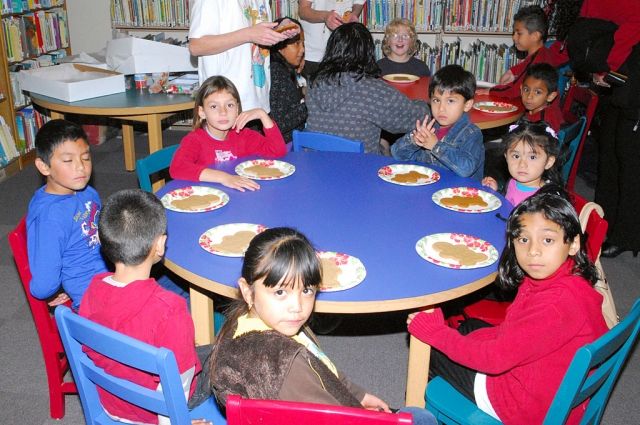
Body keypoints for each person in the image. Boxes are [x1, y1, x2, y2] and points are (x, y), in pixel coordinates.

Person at [407, 192, 609, 425]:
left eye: (547, 240)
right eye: (523, 239)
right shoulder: (570, 282)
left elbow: (494, 359)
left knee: (431, 351)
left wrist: (435, 333)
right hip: (551, 387)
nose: (533, 251)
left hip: (523, 407)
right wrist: (460, 338)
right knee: (470, 327)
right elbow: (518, 336)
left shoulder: (554, 305)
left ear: (573, 243)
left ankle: (427, 417)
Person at [208, 227, 436, 424]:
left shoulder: (242, 326)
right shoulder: (286, 363)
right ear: (248, 291)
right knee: (421, 417)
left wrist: (359, 395)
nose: (297, 306)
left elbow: (323, 371)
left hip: (332, 404)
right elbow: (336, 419)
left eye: (306, 290)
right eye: (280, 292)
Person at [79, 189, 212, 425]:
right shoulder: (171, 310)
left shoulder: (91, 291)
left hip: (110, 401)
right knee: (226, 353)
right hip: (154, 412)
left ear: (104, 242)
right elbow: (178, 383)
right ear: (160, 245)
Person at [305, 22, 430, 154]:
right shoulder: (374, 89)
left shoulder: (314, 83)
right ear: (368, 52)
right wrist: (422, 103)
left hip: (316, 163)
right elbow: (417, 119)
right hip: (360, 167)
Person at [27, 119, 107, 311]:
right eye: (68, 160)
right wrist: (56, 287)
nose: (81, 167)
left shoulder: (87, 192)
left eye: (86, 158)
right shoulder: (51, 218)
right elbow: (44, 284)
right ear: (44, 167)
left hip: (111, 271)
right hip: (94, 297)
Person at [169, 76, 287, 192]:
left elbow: (277, 152)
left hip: (237, 196)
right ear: (202, 112)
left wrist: (262, 115)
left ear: (237, 109)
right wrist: (225, 178)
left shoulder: (243, 136)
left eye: (229, 105)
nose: (223, 112)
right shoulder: (195, 140)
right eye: (214, 106)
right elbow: (177, 168)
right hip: (208, 196)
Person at [188, 0, 299, 112]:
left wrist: (277, 31)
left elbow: (252, 36)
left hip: (257, 101)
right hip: (224, 105)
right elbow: (196, 46)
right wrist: (249, 34)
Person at [391, 65, 484, 180]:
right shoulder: (428, 127)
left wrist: (435, 146)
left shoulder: (472, 133)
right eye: (436, 100)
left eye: (450, 101)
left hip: (460, 193)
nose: (441, 108)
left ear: (467, 105)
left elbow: (466, 169)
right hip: (429, 187)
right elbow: (397, 155)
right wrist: (413, 141)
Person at [477, 5, 555, 98]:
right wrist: (512, 72)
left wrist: (491, 91)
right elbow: (525, 66)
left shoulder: (537, 60)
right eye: (514, 33)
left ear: (535, 36)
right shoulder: (543, 53)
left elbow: (514, 90)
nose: (514, 37)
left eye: (519, 33)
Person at [483, 120, 561, 206]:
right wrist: (495, 193)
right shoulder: (512, 182)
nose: (522, 164)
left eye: (532, 157)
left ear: (548, 162)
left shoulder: (545, 199)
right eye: (516, 156)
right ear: (506, 157)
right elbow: (506, 205)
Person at [298, 0, 366, 77]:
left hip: (346, 52)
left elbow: (358, 3)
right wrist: (325, 16)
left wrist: (354, 13)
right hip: (314, 53)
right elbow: (303, 10)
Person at [269, 17, 307, 143]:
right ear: (280, 46)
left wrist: (301, 91)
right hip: (284, 146)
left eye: (303, 44)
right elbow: (278, 124)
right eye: (297, 43)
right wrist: (309, 105)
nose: (302, 49)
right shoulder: (277, 73)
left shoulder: (282, 69)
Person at [520, 62, 565, 132]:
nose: (529, 96)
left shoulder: (543, 123)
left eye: (538, 92)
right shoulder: (540, 111)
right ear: (521, 89)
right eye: (526, 90)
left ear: (550, 96)